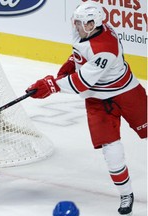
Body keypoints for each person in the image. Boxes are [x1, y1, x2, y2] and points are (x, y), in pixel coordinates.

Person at [26, 1, 147, 215]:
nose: (77, 26)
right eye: (78, 21)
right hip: (97, 101)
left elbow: (82, 83)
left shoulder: (105, 48)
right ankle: (126, 193)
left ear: (93, 24)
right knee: (112, 151)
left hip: (126, 93)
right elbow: (80, 55)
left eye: (81, 23)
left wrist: (51, 84)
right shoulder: (85, 32)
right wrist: (69, 66)